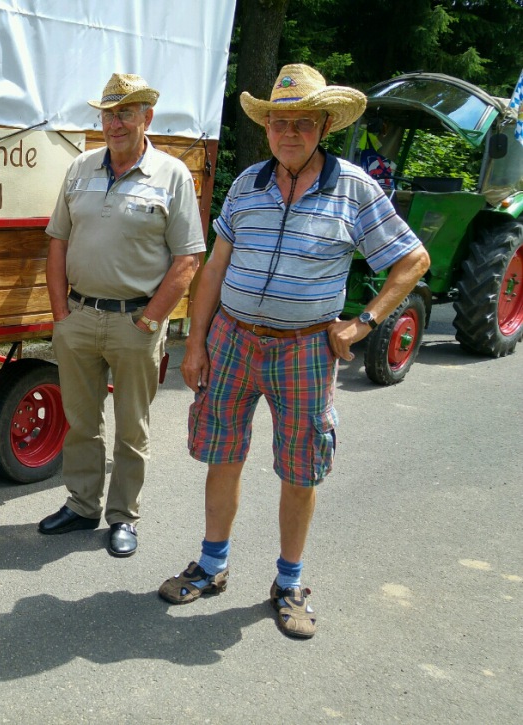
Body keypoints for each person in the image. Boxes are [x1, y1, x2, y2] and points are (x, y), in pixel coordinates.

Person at [157, 64, 430, 638]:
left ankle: (289, 582)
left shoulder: (354, 188)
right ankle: (212, 565)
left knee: (300, 466)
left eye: (302, 123)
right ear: (267, 128)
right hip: (231, 340)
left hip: (305, 349)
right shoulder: (247, 183)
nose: (288, 133)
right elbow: (214, 270)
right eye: (279, 122)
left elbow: (412, 261)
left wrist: (364, 324)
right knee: (222, 452)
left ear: (324, 125)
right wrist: (197, 342)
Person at [38, 73, 206, 557]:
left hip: (137, 322)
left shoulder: (171, 175)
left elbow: (187, 260)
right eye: (109, 113)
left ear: (146, 117)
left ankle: (124, 516)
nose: (114, 123)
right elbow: (58, 242)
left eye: (126, 113)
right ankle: (82, 505)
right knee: (81, 420)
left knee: (133, 427)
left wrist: (151, 321)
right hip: (80, 317)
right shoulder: (81, 168)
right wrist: (59, 311)